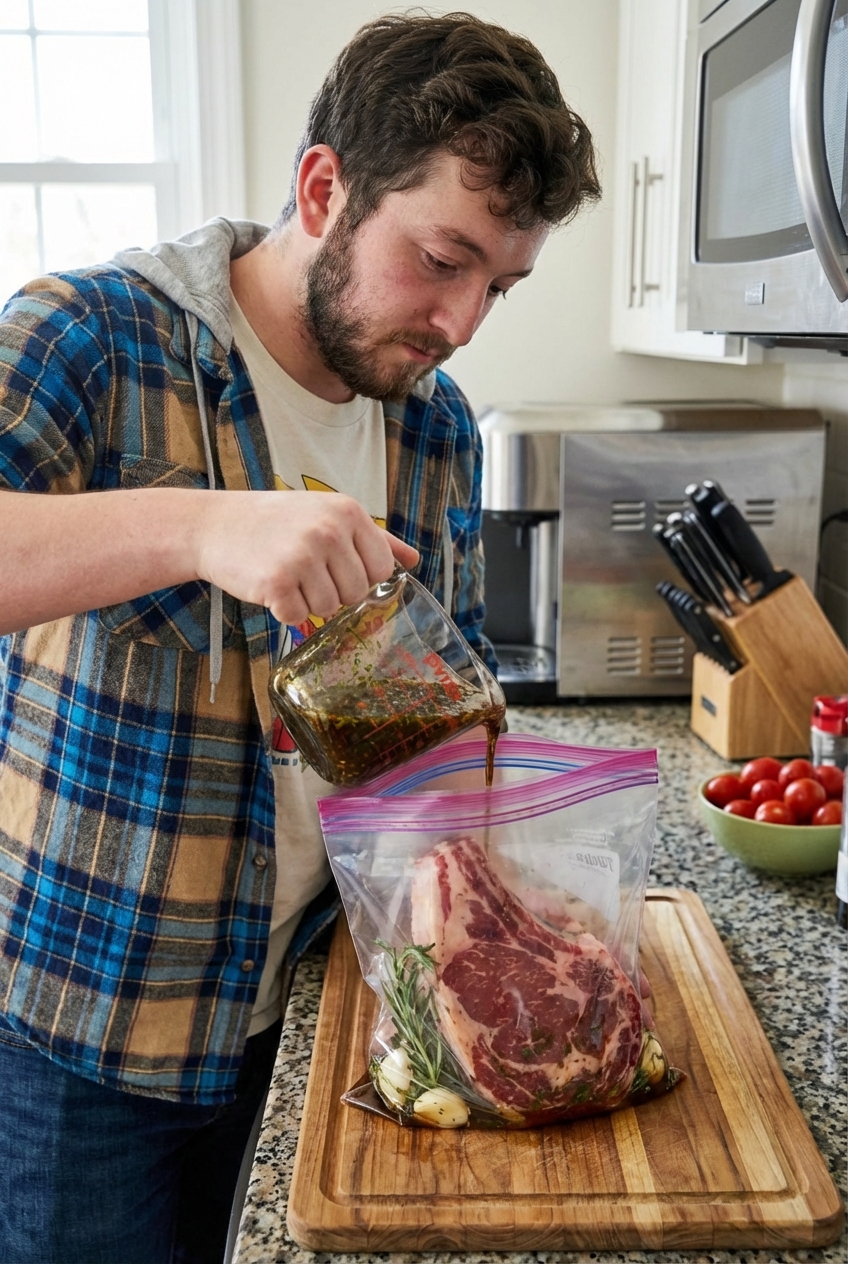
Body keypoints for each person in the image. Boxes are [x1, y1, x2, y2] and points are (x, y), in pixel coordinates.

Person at [0, 11, 599, 1263]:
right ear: (322, 186)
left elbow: (430, 718)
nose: (462, 322)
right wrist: (196, 527)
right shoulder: (93, 336)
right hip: (91, 1034)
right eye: (441, 258)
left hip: (318, 1005)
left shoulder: (435, 429)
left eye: (498, 282)